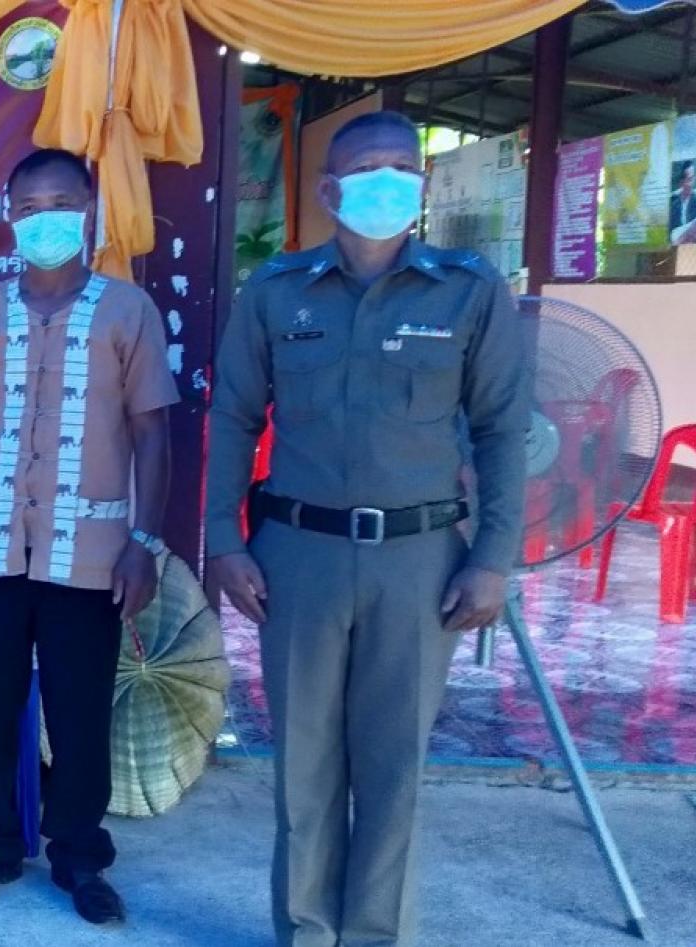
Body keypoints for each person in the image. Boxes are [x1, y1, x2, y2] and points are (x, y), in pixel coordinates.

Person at [205, 110, 528, 947]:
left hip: (419, 561)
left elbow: (502, 429)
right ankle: (308, 931)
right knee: (305, 764)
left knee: (393, 769)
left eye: (402, 167)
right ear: (328, 190)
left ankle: (378, 935)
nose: (387, 181)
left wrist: (494, 557)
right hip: (299, 555)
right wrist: (223, 541)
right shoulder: (277, 290)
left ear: (422, 182)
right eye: (366, 168)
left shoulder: (469, 289)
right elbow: (234, 417)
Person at [0, 148, 178, 924]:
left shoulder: (128, 311)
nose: (46, 221)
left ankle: (79, 854)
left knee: (79, 712)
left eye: (61, 205)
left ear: (89, 210)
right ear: (10, 217)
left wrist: (144, 542)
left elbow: (152, 433)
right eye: (30, 209)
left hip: (90, 557)